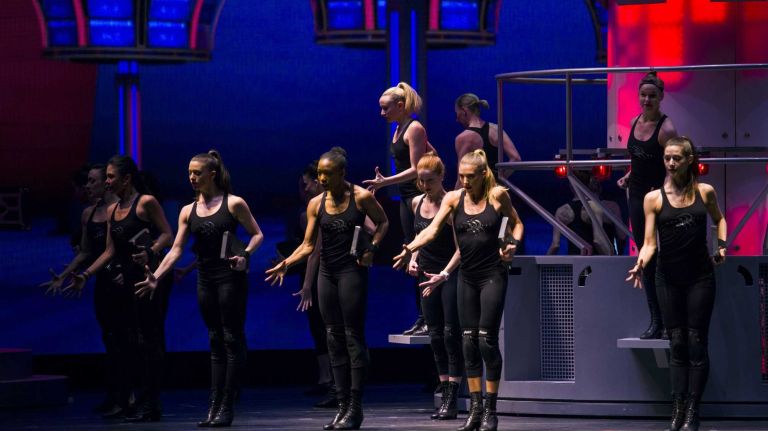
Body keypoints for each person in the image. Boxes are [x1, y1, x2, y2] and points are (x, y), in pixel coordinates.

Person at [394, 149, 523, 431]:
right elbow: (433, 229)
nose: (464, 182)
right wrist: (411, 248)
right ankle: (474, 409)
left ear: (482, 175)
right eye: (461, 176)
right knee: (467, 342)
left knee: (486, 340)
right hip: (467, 277)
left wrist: (512, 243)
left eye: (469, 177)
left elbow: (515, 223)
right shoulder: (454, 199)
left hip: (493, 275)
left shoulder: (497, 195)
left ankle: (490, 409)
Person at [133, 150, 263, 427]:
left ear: (211, 174)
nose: (192, 177)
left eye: (197, 172)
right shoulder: (187, 211)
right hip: (205, 278)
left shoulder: (234, 203)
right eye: (189, 172)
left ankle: (227, 403)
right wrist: (156, 275)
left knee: (230, 338)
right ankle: (214, 405)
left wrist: (246, 255)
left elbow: (257, 234)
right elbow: (176, 249)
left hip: (230, 278)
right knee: (215, 340)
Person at [267, 147, 388, 430]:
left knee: (352, 337)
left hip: (351, 272)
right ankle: (342, 404)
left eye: (328, 174)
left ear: (342, 173)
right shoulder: (315, 204)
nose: (322, 179)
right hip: (327, 273)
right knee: (332, 338)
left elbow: (382, 222)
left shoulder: (361, 197)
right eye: (319, 173)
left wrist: (372, 248)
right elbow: (309, 245)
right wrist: (287, 263)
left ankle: (355, 406)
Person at [626, 137, 725, 431]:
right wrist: (640, 262)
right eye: (667, 158)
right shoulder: (653, 198)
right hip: (667, 278)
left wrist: (721, 246)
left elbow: (719, 220)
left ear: (689, 159)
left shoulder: (704, 192)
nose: (670, 163)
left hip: (700, 277)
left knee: (696, 343)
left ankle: (693, 409)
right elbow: (648, 243)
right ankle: (678, 406)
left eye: (676, 158)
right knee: (677, 343)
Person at [65, 155, 173, 422]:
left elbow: (167, 234)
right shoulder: (114, 211)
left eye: (112, 177)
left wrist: (151, 251)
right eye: (108, 177)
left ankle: (151, 404)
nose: (108, 181)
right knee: (130, 342)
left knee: (149, 341)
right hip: (126, 281)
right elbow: (110, 251)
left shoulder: (145, 202)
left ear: (127, 179)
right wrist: (86, 274)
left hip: (149, 279)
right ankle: (132, 400)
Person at [40, 164, 124, 414]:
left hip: (122, 280)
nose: (87, 186)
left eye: (92, 181)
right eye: (86, 182)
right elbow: (86, 251)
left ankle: (128, 395)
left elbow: (117, 250)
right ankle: (115, 395)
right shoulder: (88, 213)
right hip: (102, 281)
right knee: (109, 338)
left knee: (124, 339)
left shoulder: (119, 209)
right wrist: (63, 276)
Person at [364, 82, 435, 336]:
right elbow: (431, 155)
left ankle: (428, 318)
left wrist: (385, 182)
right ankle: (422, 316)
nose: (382, 114)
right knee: (411, 254)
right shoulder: (399, 129)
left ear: (400, 106)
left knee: (422, 254)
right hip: (407, 198)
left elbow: (417, 168)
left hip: (417, 197)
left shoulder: (414, 128)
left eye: (385, 109)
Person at [617, 71, 678, 339]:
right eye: (643, 95)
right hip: (636, 196)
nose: (647, 99)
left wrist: (665, 193)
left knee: (667, 259)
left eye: (652, 95)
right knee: (646, 260)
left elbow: (674, 167)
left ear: (661, 97)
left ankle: (672, 321)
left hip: (658, 198)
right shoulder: (633, 122)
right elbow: (640, 161)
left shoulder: (666, 129)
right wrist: (629, 176)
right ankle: (656, 322)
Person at [406, 152, 464, 420]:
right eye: (421, 181)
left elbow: (461, 248)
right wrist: (413, 259)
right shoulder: (416, 202)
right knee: (436, 336)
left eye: (429, 180)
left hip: (448, 273)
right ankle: (443, 389)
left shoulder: (450, 205)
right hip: (426, 276)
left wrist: (444, 273)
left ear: (442, 177)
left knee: (452, 334)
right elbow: (419, 237)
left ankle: (453, 393)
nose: (424, 186)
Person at [454, 93, 521, 184]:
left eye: (457, 114)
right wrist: (497, 181)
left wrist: (452, 197)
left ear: (464, 111)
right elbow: (516, 159)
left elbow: (461, 177)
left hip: (476, 196)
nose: (457, 120)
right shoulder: (496, 129)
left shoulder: (463, 138)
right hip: (496, 194)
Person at [547, 171, 613, 255]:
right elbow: (598, 240)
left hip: (574, 263)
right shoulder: (594, 207)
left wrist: (540, 266)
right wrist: (611, 259)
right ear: (589, 184)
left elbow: (555, 245)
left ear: (571, 185)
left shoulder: (561, 211)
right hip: (593, 263)